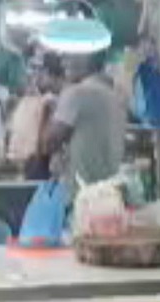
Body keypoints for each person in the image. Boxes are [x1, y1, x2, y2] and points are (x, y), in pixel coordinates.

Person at [42, 51, 126, 195]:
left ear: (88, 57)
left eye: (69, 56)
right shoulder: (115, 95)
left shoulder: (75, 93)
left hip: (81, 193)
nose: (63, 63)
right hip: (111, 190)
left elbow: (50, 141)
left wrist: (50, 113)